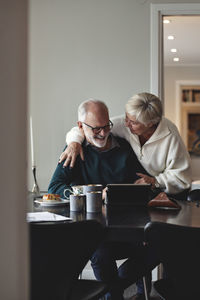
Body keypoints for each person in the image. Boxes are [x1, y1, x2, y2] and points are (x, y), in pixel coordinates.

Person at [48, 99, 156, 300]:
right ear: (80, 126)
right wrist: (93, 194)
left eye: (107, 126)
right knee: (100, 253)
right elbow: (54, 188)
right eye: (96, 128)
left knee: (160, 243)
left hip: (129, 230)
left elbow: (145, 185)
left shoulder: (124, 147)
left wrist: (144, 187)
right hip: (94, 233)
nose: (103, 133)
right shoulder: (74, 150)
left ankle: (114, 289)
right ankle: (114, 294)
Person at [60, 92, 192, 200]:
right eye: (126, 118)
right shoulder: (123, 124)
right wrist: (74, 143)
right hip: (144, 192)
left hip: (170, 196)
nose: (126, 124)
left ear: (150, 124)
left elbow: (182, 179)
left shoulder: (170, 135)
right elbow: (87, 127)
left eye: (133, 122)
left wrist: (155, 181)